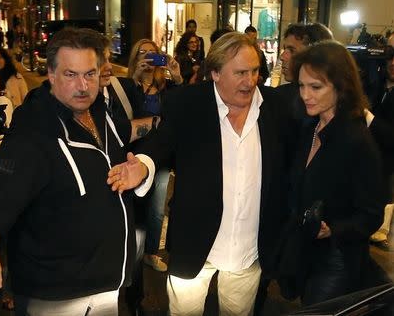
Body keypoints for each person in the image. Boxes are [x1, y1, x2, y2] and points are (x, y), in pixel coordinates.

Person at [0, 27, 155, 316]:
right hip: (56, 296)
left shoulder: (100, 112)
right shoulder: (34, 125)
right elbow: (0, 189)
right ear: (51, 74)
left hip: (106, 286)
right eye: (71, 75)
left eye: (90, 74)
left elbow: (127, 135)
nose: (82, 85)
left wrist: (143, 164)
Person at [109, 31, 294, 315]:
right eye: (241, 72)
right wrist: (143, 165)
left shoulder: (276, 107)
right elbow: (162, 142)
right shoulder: (187, 102)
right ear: (216, 73)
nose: (250, 81)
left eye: (255, 71)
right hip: (195, 247)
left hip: (249, 251)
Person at [282, 40, 384, 306]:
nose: (305, 95)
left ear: (341, 86)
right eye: (301, 86)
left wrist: (333, 229)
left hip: (338, 259)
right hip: (306, 252)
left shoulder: (357, 141)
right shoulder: (310, 127)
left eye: (315, 87)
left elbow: (372, 215)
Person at [126, 38, 182, 273]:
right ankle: (132, 254)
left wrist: (177, 76)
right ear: (136, 58)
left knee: (157, 209)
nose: (148, 58)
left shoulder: (166, 87)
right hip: (134, 156)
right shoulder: (130, 87)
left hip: (160, 158)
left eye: (153, 54)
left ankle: (150, 252)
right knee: (136, 207)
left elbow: (182, 108)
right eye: (143, 53)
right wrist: (135, 79)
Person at [367, 38, 394, 250]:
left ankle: (381, 229)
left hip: (387, 166)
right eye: (390, 57)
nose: (393, 63)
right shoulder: (374, 83)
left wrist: (367, 116)